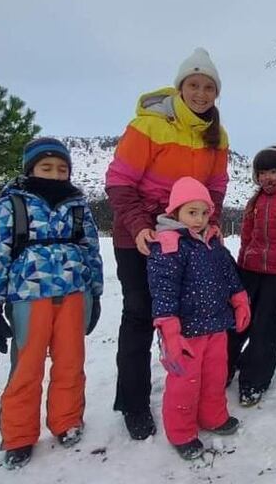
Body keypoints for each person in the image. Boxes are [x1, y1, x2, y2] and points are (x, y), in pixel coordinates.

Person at [105, 48, 229, 440]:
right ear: (180, 87)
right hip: (140, 237)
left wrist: (211, 222)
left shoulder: (217, 135)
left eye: (208, 87)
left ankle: (194, 393)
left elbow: (216, 187)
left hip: (186, 239)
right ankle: (134, 403)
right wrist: (140, 226)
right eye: (194, 85)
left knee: (188, 316)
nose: (201, 93)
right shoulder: (149, 125)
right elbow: (119, 181)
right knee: (140, 315)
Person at [0, 138, 103, 469]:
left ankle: (67, 420)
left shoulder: (77, 206)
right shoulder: (11, 205)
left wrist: (96, 292)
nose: (55, 174)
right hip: (28, 298)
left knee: (70, 362)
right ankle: (18, 436)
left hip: (74, 295)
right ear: (30, 169)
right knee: (26, 367)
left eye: (62, 169)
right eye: (47, 168)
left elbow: (91, 251)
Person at [147, 177, 250, 460]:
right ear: (175, 212)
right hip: (186, 332)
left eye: (204, 212)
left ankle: (213, 417)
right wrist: (169, 328)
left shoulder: (213, 242)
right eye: (192, 212)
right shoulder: (169, 245)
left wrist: (239, 299)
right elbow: (163, 290)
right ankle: (181, 432)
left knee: (215, 376)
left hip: (216, 325)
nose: (199, 219)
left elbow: (229, 274)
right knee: (185, 383)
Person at [228, 146, 276, 407]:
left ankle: (253, 382)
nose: (267, 178)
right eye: (262, 173)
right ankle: (223, 369)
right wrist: (241, 265)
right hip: (250, 270)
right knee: (236, 323)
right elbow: (246, 237)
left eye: (273, 171)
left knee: (264, 329)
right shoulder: (255, 201)